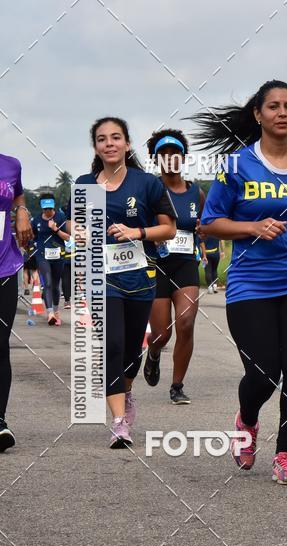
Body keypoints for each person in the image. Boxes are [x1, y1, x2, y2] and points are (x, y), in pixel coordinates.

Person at [194, 79, 287, 485]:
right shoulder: (237, 166)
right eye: (273, 106)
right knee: (263, 374)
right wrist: (252, 226)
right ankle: (248, 420)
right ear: (258, 114)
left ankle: (286, 455)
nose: (282, 113)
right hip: (251, 284)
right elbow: (209, 224)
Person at [67, 117, 176, 448]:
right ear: (96, 147)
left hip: (140, 279)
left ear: (127, 145)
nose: (109, 143)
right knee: (111, 346)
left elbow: (169, 229)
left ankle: (126, 393)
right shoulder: (85, 183)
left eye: (116, 138)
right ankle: (118, 422)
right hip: (101, 279)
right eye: (102, 139)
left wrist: (136, 232)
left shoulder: (146, 184)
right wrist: (79, 230)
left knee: (131, 349)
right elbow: (70, 220)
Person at [142, 130, 204, 405]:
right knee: (162, 333)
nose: (170, 159)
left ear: (183, 158)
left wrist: (204, 228)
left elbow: (206, 223)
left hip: (185, 264)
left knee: (186, 323)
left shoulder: (196, 192)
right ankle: (153, 353)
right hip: (156, 265)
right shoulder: (150, 191)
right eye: (163, 155)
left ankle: (177, 385)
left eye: (175, 154)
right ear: (156, 160)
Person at [0, 153, 33, 450]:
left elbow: (18, 193)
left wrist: (21, 209)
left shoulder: (10, 165)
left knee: (0, 344)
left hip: (4, 269)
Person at [32, 193, 70, 325]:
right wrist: (31, 247)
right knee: (47, 283)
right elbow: (32, 237)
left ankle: (56, 311)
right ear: (42, 208)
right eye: (45, 209)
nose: (48, 211)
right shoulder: (36, 220)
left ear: (54, 206)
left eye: (50, 208)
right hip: (43, 256)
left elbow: (67, 237)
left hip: (59, 255)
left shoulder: (61, 217)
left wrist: (56, 229)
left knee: (55, 285)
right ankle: (50, 314)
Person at [61, 235, 74, 308]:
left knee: (65, 278)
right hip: (75, 256)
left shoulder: (61, 227)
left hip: (64, 257)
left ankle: (67, 301)